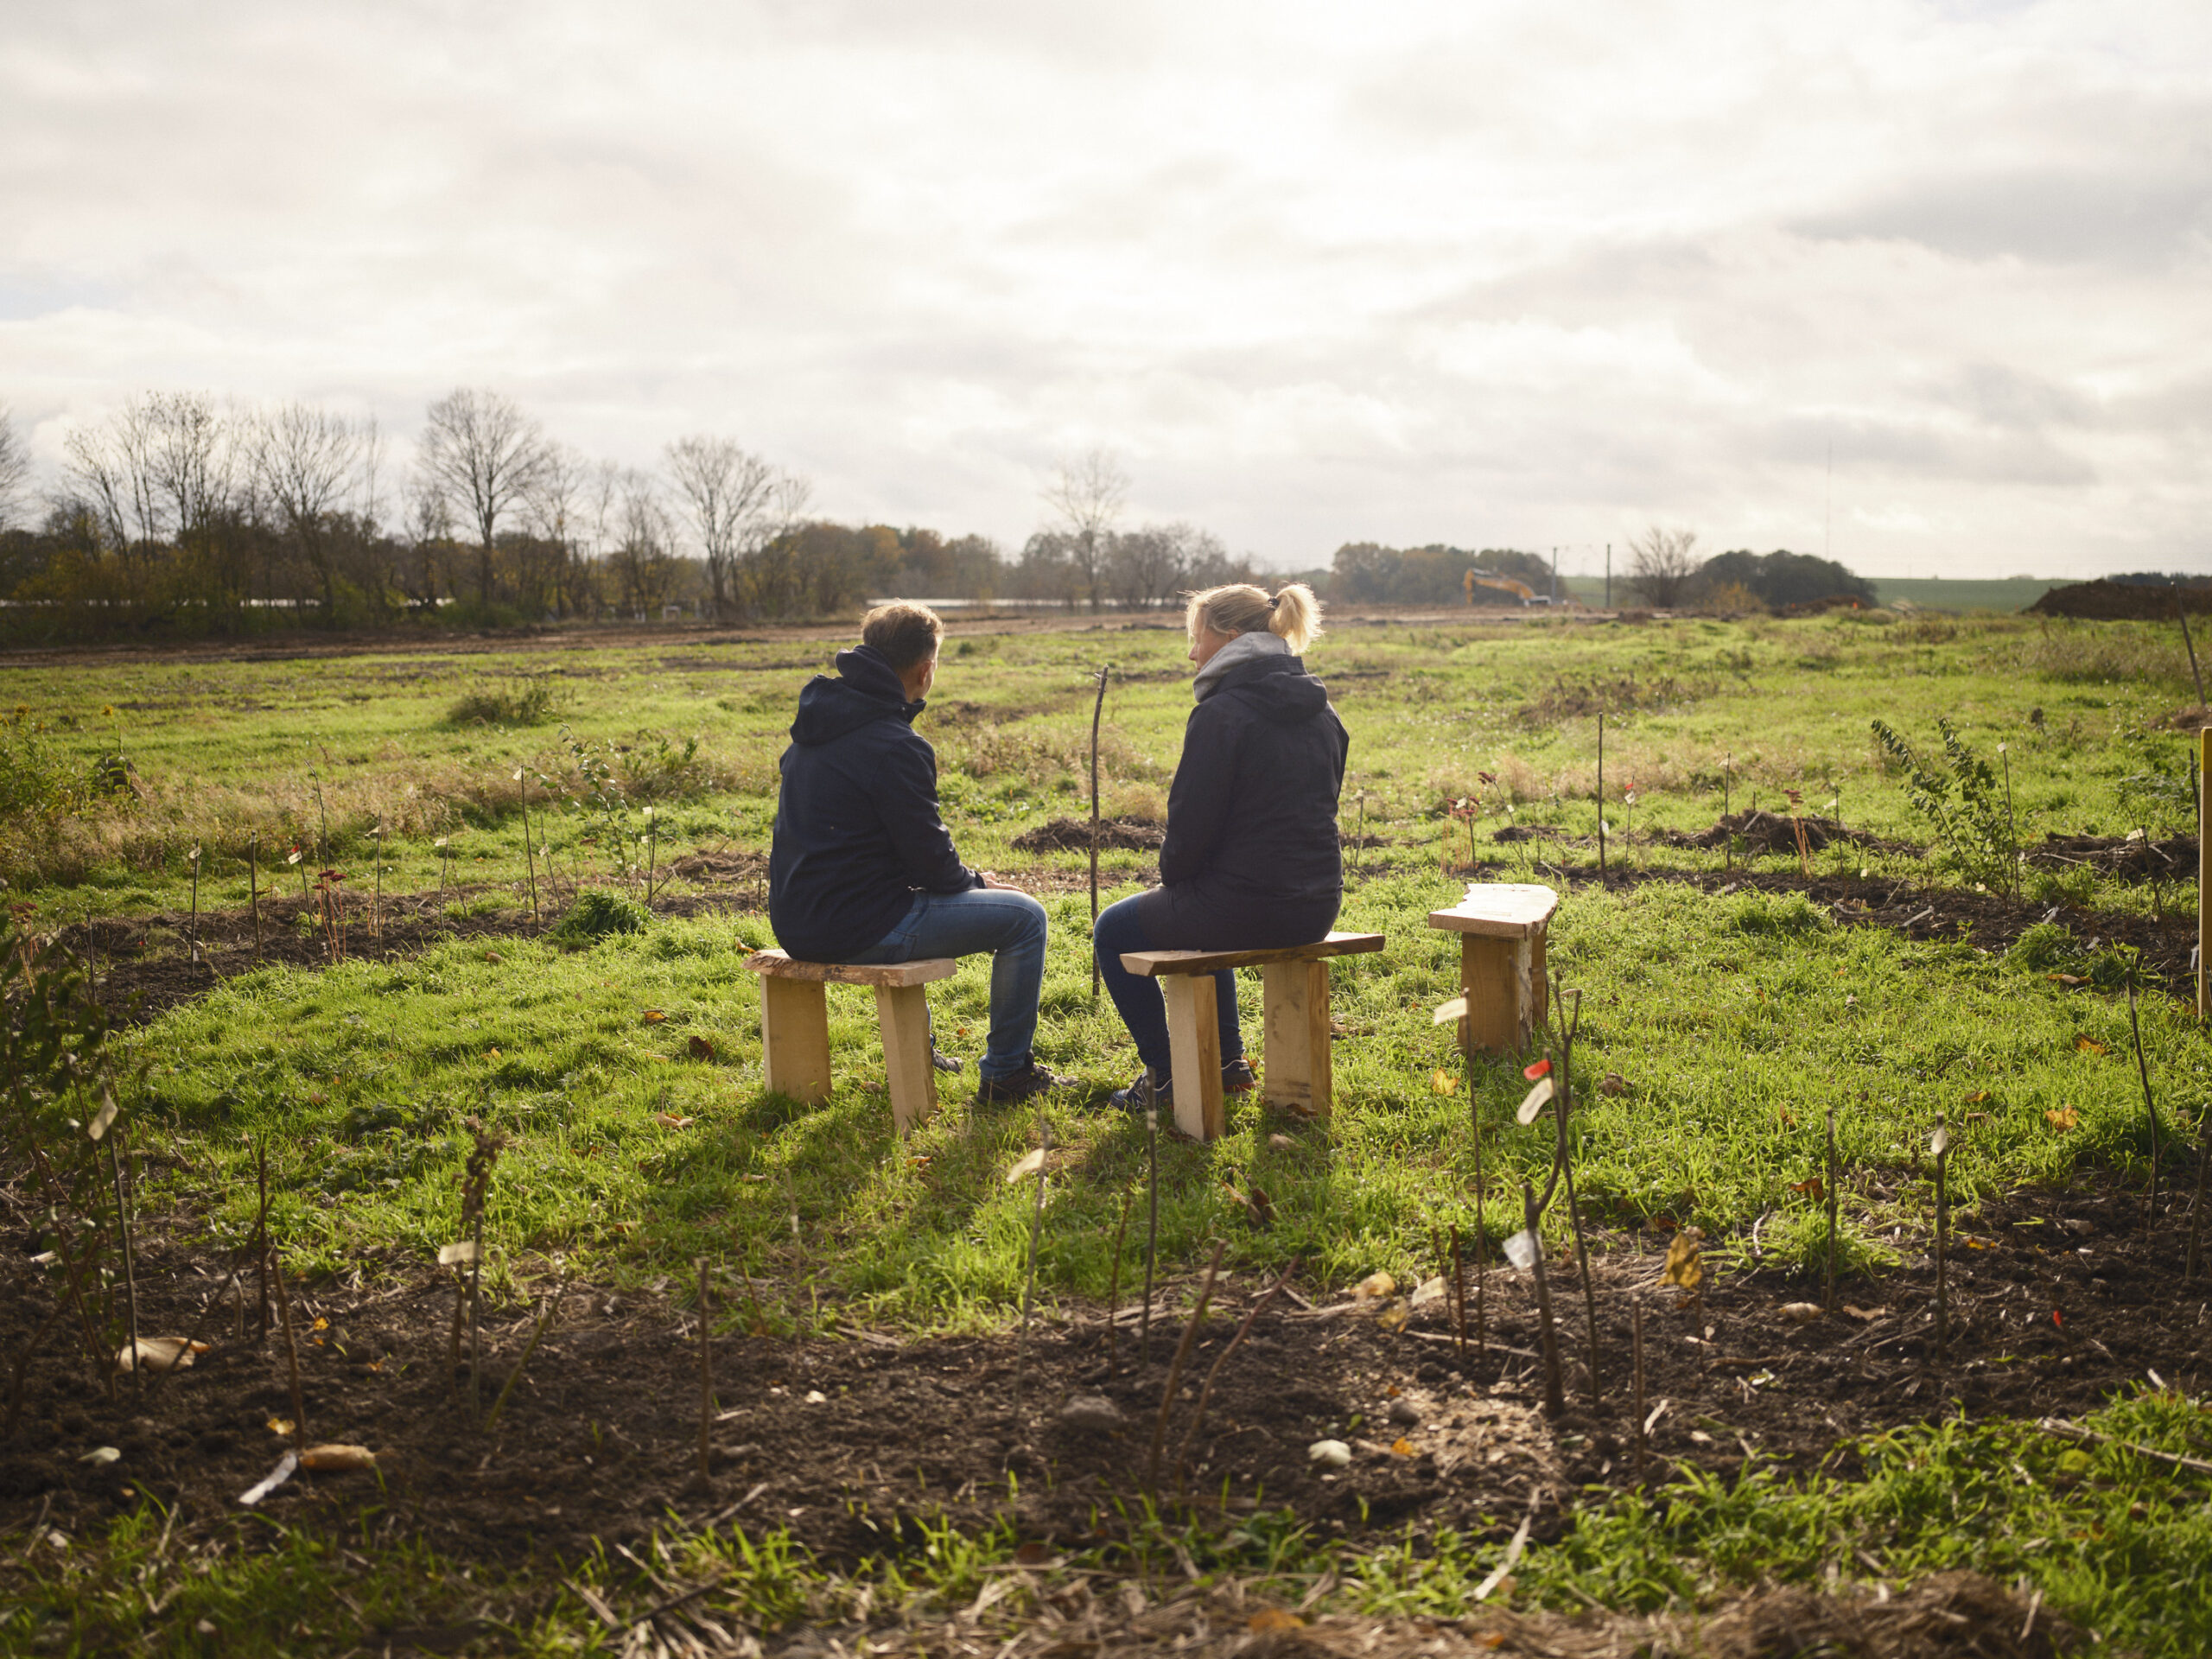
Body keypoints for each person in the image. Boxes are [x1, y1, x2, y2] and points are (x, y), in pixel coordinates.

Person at [768, 601, 1070, 1104]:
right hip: (855, 925)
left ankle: (922, 1050)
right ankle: (1008, 1074)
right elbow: (931, 863)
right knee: (1025, 918)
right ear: (926, 670)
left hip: (797, 920)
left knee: (905, 895)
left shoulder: (814, 729)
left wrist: (959, 878)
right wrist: (977, 882)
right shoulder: (896, 744)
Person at [1092, 582, 1347, 1113]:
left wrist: (1176, 877)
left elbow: (1189, 832)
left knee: (1113, 930)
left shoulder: (1220, 714)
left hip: (1248, 906)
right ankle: (1229, 1063)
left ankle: (1166, 1075)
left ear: (1230, 638)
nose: (1191, 652)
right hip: (1318, 904)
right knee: (1202, 908)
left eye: (1196, 636)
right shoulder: (1324, 713)